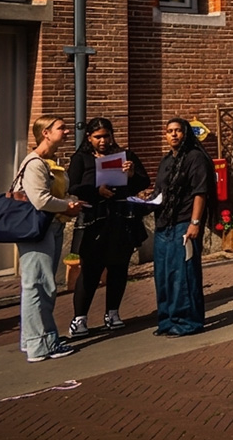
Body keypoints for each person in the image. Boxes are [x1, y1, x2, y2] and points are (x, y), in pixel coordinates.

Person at [66, 117, 150, 337]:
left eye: (106, 136)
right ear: (89, 138)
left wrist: (131, 174)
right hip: (94, 219)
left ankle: (112, 312)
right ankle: (79, 318)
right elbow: (73, 186)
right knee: (90, 270)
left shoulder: (125, 156)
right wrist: (96, 190)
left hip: (120, 218)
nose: (103, 141)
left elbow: (143, 182)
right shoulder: (81, 158)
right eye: (97, 137)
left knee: (119, 267)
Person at [16, 116, 84, 362]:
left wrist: (70, 199)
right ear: (45, 133)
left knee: (38, 285)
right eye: (61, 128)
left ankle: (32, 340)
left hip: (50, 228)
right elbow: (40, 200)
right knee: (40, 286)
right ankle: (42, 345)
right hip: (39, 230)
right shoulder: (35, 163)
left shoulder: (48, 162)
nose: (67, 131)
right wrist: (68, 205)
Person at [152, 117, 213, 336]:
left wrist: (195, 223)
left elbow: (200, 192)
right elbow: (160, 191)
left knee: (183, 275)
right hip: (164, 224)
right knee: (164, 274)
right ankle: (167, 320)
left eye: (178, 130)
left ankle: (188, 322)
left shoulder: (195, 158)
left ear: (186, 133)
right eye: (169, 131)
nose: (174, 135)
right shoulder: (166, 160)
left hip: (184, 223)